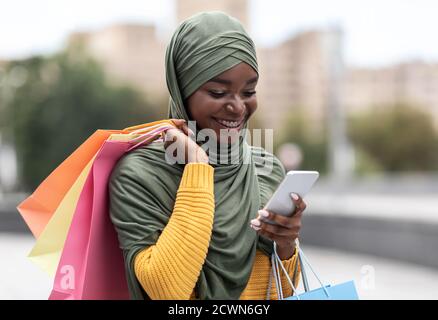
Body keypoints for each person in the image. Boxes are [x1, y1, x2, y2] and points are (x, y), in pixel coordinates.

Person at [109, 11, 307, 300]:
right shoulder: (138, 175)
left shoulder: (265, 169)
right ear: (182, 90)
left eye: (249, 91)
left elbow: (281, 290)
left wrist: (287, 244)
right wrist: (198, 167)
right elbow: (167, 291)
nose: (238, 107)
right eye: (218, 92)